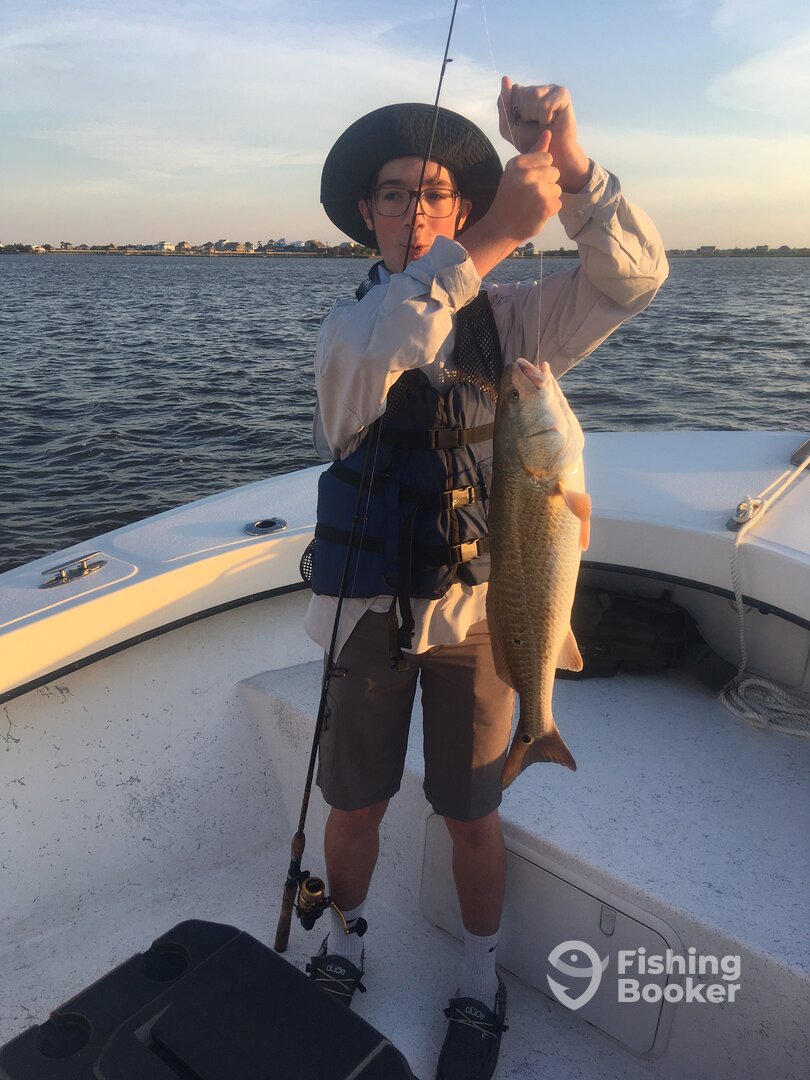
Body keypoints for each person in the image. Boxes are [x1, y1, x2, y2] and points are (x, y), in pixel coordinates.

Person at [304, 78, 668, 1080]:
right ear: (367, 214)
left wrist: (575, 168)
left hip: (481, 611)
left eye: (435, 193)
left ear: (459, 206)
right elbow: (402, 340)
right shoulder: (346, 330)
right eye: (394, 194)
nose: (415, 211)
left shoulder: (514, 325)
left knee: (473, 812)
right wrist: (500, 233)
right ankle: (344, 944)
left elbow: (634, 280)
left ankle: (479, 972)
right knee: (355, 805)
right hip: (367, 614)